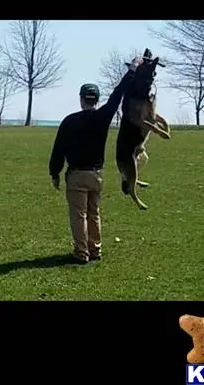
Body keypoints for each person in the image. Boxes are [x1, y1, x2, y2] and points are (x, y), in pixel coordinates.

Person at [49, 56, 143, 264]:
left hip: (76, 175)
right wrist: (133, 70)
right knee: (94, 213)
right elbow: (118, 94)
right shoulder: (103, 116)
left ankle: (81, 253)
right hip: (96, 175)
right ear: (97, 100)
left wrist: (54, 173)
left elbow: (58, 150)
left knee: (78, 215)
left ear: (81, 99)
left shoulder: (69, 121)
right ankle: (95, 250)